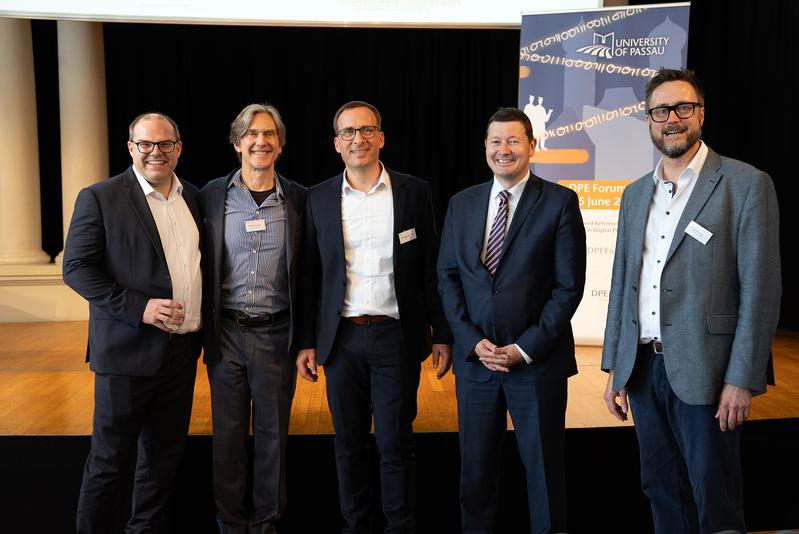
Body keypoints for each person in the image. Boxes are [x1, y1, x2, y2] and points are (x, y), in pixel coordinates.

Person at [602, 68, 781, 534]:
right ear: (649, 120)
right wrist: (614, 368)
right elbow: (624, 282)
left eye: (683, 108)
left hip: (710, 373)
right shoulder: (634, 193)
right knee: (661, 490)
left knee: (714, 496)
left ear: (700, 114)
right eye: (661, 110)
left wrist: (742, 379)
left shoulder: (745, 184)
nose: (672, 119)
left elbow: (761, 290)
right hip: (643, 369)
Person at [295, 100, 452, 533]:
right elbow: (310, 275)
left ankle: (400, 526)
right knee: (347, 444)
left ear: (381, 138)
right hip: (341, 338)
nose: (357, 139)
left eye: (366, 130)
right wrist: (306, 341)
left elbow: (430, 267)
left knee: (395, 441)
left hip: (396, 336)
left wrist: (441, 333)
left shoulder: (414, 191)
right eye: (347, 132)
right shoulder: (318, 197)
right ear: (336, 144)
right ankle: (356, 526)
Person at [437, 107, 586, 534]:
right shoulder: (461, 204)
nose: (504, 149)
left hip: (536, 365)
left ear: (532, 146)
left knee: (543, 472)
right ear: (485, 148)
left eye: (514, 141)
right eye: (496, 141)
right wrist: (469, 339)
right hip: (476, 364)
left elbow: (568, 287)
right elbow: (447, 278)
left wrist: (523, 349)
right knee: (475, 474)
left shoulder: (559, 202)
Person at [63, 112, 203, 533]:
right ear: (131, 148)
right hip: (125, 353)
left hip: (180, 353)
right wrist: (138, 307)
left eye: (164, 144)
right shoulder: (101, 197)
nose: (155, 152)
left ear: (178, 148)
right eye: (146, 144)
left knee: (162, 459)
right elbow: (76, 268)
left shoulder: (193, 196)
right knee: (109, 462)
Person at [198, 103, 306, 534]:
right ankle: (230, 522)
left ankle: (266, 523)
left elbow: (311, 271)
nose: (260, 142)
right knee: (227, 438)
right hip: (225, 332)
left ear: (279, 144)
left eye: (269, 135)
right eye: (251, 134)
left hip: (276, 334)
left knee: (273, 439)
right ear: (237, 142)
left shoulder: (299, 198)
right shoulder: (210, 196)